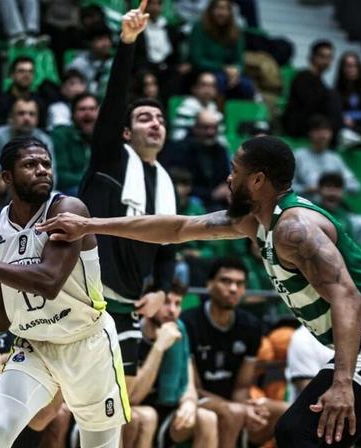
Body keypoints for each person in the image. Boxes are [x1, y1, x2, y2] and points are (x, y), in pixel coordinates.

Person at [38, 135, 361, 447]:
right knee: (326, 433)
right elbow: (177, 229)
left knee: (300, 431)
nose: (229, 178)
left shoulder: (294, 230)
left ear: (258, 180)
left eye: (235, 170)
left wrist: (343, 382)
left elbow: (349, 297)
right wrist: (90, 226)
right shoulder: (253, 221)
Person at [0, 135, 130, 448]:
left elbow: (48, 281)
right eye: (30, 164)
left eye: (46, 164)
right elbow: (0, 320)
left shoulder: (68, 210)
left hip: (87, 342)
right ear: (7, 178)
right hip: (34, 345)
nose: (43, 170)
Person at [78, 0, 176, 404]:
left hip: (128, 307)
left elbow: (170, 246)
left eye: (161, 119)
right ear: (124, 132)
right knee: (59, 407)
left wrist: (163, 292)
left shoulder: (167, 184)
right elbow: (115, 100)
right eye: (145, 118)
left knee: (121, 407)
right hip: (82, 300)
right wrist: (128, 44)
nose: (156, 123)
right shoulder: (111, 158)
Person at [178, 258, 286, 447]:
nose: (233, 288)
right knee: (234, 412)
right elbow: (193, 387)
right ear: (209, 284)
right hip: (196, 398)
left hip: (234, 401)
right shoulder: (188, 323)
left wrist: (247, 407)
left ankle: (247, 441)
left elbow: (242, 387)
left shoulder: (251, 326)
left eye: (239, 283)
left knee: (283, 410)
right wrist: (241, 409)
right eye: (226, 281)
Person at [140, 283, 218, 448]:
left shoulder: (180, 329)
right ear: (148, 302)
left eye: (178, 304)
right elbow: (133, 397)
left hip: (167, 407)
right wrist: (158, 347)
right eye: (166, 302)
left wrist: (189, 401)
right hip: (138, 409)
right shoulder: (133, 334)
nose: (172, 310)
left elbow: (188, 381)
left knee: (207, 418)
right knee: (148, 417)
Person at [188, 0, 255, 100]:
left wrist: (236, 71)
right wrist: (224, 68)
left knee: (247, 85)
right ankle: (218, 112)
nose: (221, 13)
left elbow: (239, 60)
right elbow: (197, 60)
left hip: (228, 73)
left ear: (230, 12)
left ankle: (242, 113)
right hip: (204, 70)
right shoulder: (199, 27)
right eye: (218, 8)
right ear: (211, 10)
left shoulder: (236, 31)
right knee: (219, 80)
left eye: (225, 9)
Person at [163, 110, 230, 210]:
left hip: (219, 203)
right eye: (206, 127)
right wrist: (211, 194)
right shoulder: (180, 149)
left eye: (214, 128)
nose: (210, 132)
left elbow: (226, 178)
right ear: (195, 128)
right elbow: (180, 184)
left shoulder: (221, 150)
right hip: (192, 202)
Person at [282, 40, 342, 137]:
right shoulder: (302, 77)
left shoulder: (321, 83)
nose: (326, 61)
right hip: (298, 125)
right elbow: (309, 104)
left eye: (329, 58)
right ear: (312, 57)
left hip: (314, 122)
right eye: (322, 57)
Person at [292, 115, 360, 197]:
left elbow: (354, 185)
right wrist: (306, 189)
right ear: (310, 133)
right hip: (306, 204)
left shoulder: (335, 158)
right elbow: (287, 187)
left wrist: (335, 189)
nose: (322, 135)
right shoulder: (298, 156)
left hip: (331, 205)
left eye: (326, 131)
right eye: (318, 130)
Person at [0, 98, 54, 173]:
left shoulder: (44, 140)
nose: (27, 118)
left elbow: (51, 175)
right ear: (11, 118)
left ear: (37, 119)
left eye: (31, 114)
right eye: (21, 113)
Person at [134, 0, 188, 99]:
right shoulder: (136, 29)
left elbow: (175, 55)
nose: (155, 8)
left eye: (158, 4)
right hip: (146, 68)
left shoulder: (170, 29)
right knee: (146, 80)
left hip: (167, 68)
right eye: (151, 4)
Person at [50, 92, 98, 194]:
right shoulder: (61, 135)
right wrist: (92, 179)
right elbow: (61, 176)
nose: (88, 113)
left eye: (92, 109)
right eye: (82, 109)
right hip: (70, 191)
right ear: (73, 115)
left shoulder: (105, 136)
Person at [0, 56, 47, 127]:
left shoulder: (39, 102)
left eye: (30, 72)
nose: (26, 75)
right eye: (21, 71)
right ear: (12, 75)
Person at [316, 172, 361, 247]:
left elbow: (350, 247)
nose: (332, 191)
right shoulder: (312, 212)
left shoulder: (344, 216)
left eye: (337, 187)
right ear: (319, 189)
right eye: (328, 186)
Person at [335, 52, 361, 141]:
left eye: (355, 66)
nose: (352, 69)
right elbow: (335, 111)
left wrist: (353, 117)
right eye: (348, 66)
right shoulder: (336, 89)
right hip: (345, 125)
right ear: (342, 69)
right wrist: (345, 118)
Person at [66, 25, 115, 97]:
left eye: (108, 39)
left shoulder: (115, 62)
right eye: (100, 39)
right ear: (89, 43)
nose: (105, 43)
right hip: (84, 102)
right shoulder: (78, 64)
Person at [171, 71, 222, 141]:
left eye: (212, 86)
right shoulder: (186, 109)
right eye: (204, 85)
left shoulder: (215, 110)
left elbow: (221, 139)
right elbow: (178, 137)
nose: (208, 90)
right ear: (194, 88)